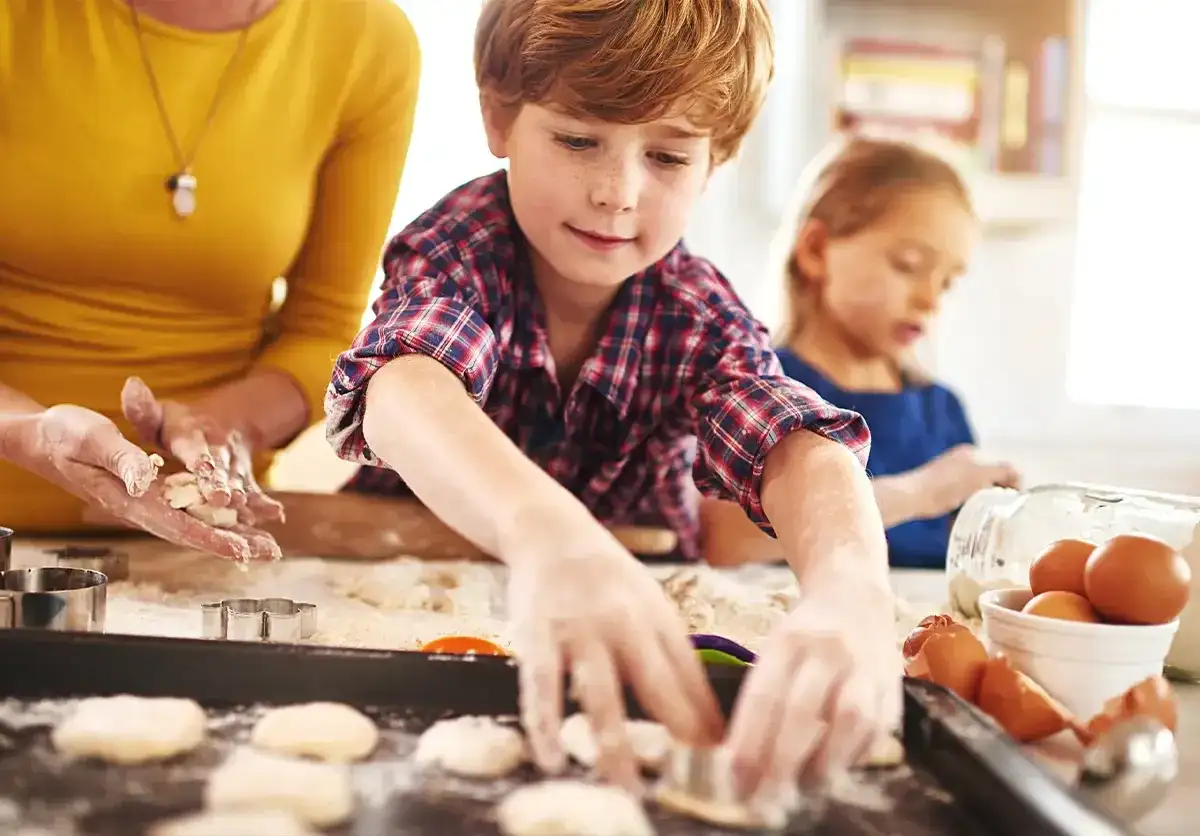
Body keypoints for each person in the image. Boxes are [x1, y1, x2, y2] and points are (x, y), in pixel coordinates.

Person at [325, 0, 900, 804]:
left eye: (666, 157)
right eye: (576, 139)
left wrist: (852, 592)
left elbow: (795, 444)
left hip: (633, 645)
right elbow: (403, 384)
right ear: (498, 117)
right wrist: (551, 537)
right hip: (406, 618)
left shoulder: (699, 313)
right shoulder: (459, 246)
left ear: (716, 158)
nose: (616, 193)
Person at [0, 0, 420, 561]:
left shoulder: (366, 38)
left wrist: (222, 428)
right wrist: (28, 433)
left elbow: (323, 332)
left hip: (207, 544)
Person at [703, 137, 1020, 569]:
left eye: (947, 282)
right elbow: (725, 542)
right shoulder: (758, 389)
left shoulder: (941, 411)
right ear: (816, 251)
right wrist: (923, 492)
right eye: (908, 264)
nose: (931, 300)